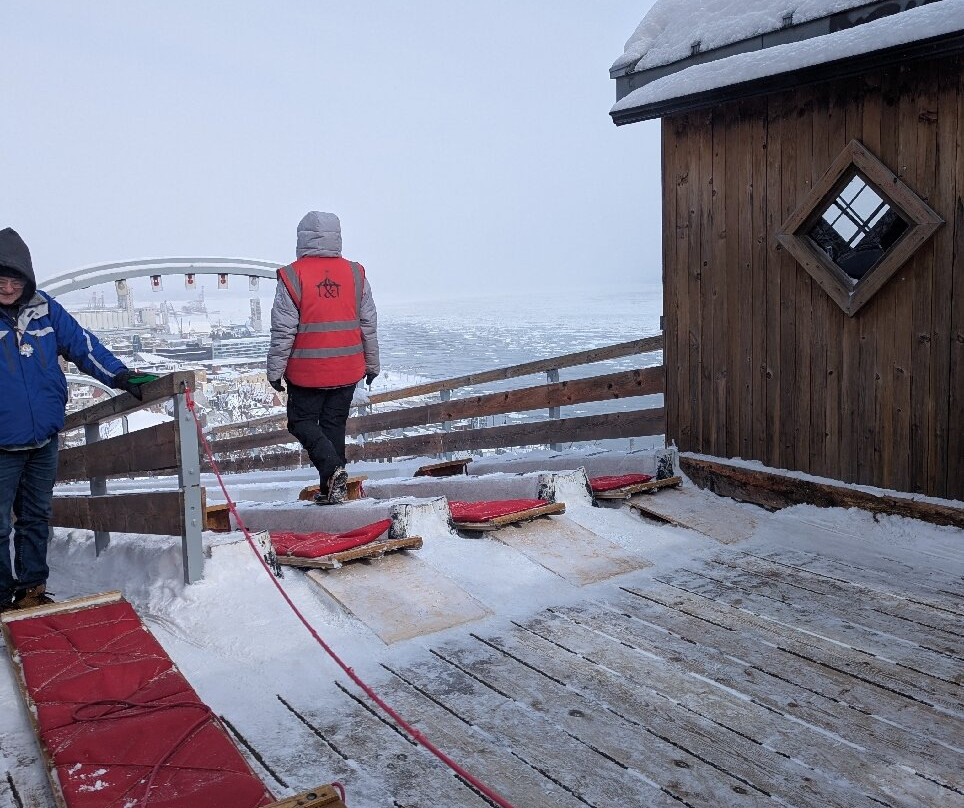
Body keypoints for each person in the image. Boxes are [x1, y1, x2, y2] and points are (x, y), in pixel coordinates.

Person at [0, 227, 147, 611]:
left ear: (27, 277)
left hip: (44, 439)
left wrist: (118, 374)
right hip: (1, 442)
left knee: (36, 517)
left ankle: (31, 587)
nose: (7, 286)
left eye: (14, 277)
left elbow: (82, 345)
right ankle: (1, 596)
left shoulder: (45, 308)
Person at [266, 212, 379, 504]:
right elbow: (368, 323)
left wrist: (274, 372)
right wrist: (372, 364)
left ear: (301, 238)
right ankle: (333, 489)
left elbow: (283, 330)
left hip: (308, 373)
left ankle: (331, 473)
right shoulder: (356, 274)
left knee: (300, 422)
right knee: (333, 426)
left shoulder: (293, 276)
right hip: (347, 369)